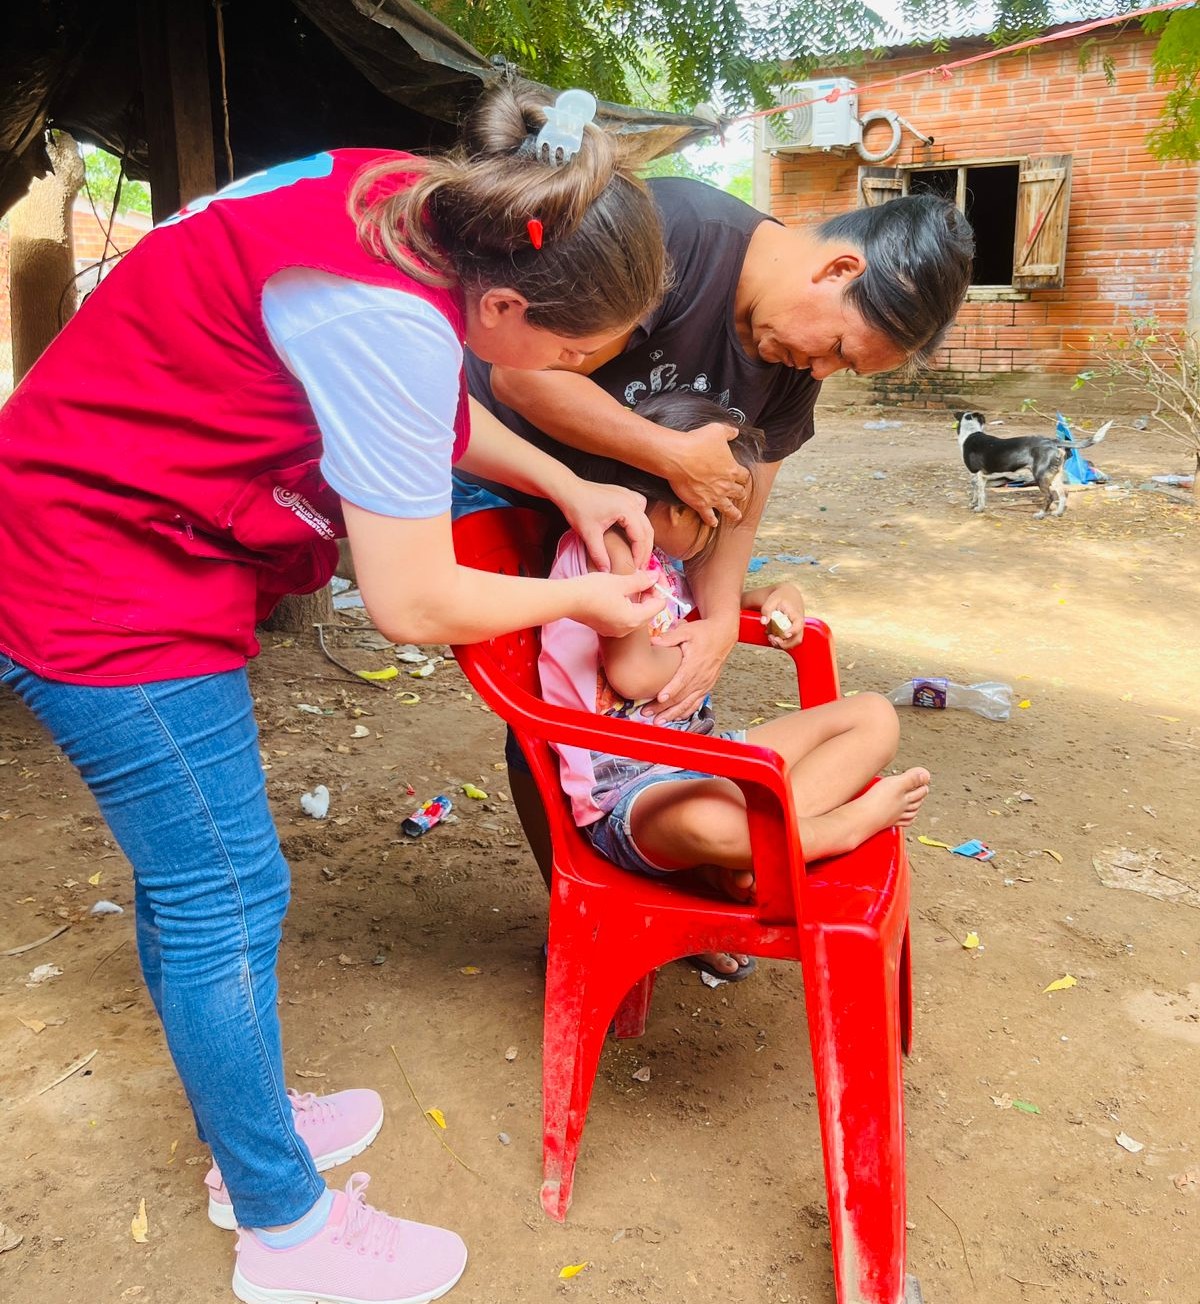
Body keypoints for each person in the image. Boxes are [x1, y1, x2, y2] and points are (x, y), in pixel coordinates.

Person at [0, 81, 671, 1304]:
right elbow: (414, 602)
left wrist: (573, 492)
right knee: (225, 888)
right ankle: (282, 1225)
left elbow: (433, 406)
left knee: (195, 876)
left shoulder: (408, 201)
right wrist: (579, 601)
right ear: (507, 303)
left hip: (110, 514)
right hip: (97, 572)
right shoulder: (391, 312)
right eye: (577, 356)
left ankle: (241, 1114)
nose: (583, 375)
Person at [465, 178, 972, 972]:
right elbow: (520, 374)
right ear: (837, 269)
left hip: (646, 537)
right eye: (837, 349)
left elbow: (744, 485)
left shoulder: (787, 364)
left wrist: (718, 614)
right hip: (506, 470)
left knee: (852, 720)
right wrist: (666, 456)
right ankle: (593, 916)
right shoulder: (674, 236)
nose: (822, 370)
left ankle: (724, 868)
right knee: (541, 708)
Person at [538, 392, 931, 967]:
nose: (719, 535)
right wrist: (702, 649)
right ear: (676, 509)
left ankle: (752, 858)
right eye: (715, 518)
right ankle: (836, 829)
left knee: (873, 714)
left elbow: (690, 608)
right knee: (709, 821)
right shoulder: (613, 553)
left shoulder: (658, 556)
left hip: (703, 758)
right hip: (630, 794)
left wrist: (772, 596)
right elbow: (631, 671)